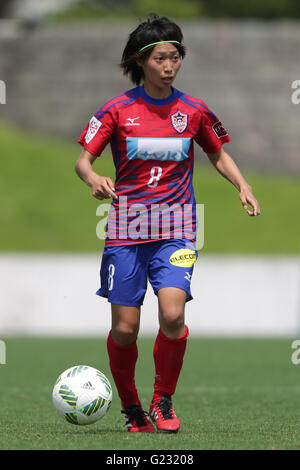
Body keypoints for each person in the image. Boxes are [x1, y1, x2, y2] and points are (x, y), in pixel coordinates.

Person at [75, 14, 261, 433]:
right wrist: (94, 178)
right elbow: (83, 161)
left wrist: (242, 184)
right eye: (161, 57)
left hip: (177, 225)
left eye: (175, 56)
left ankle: (163, 400)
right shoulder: (117, 110)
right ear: (141, 62)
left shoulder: (193, 110)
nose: (170, 65)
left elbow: (217, 153)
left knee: (173, 315)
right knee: (125, 328)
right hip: (126, 227)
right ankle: (131, 408)